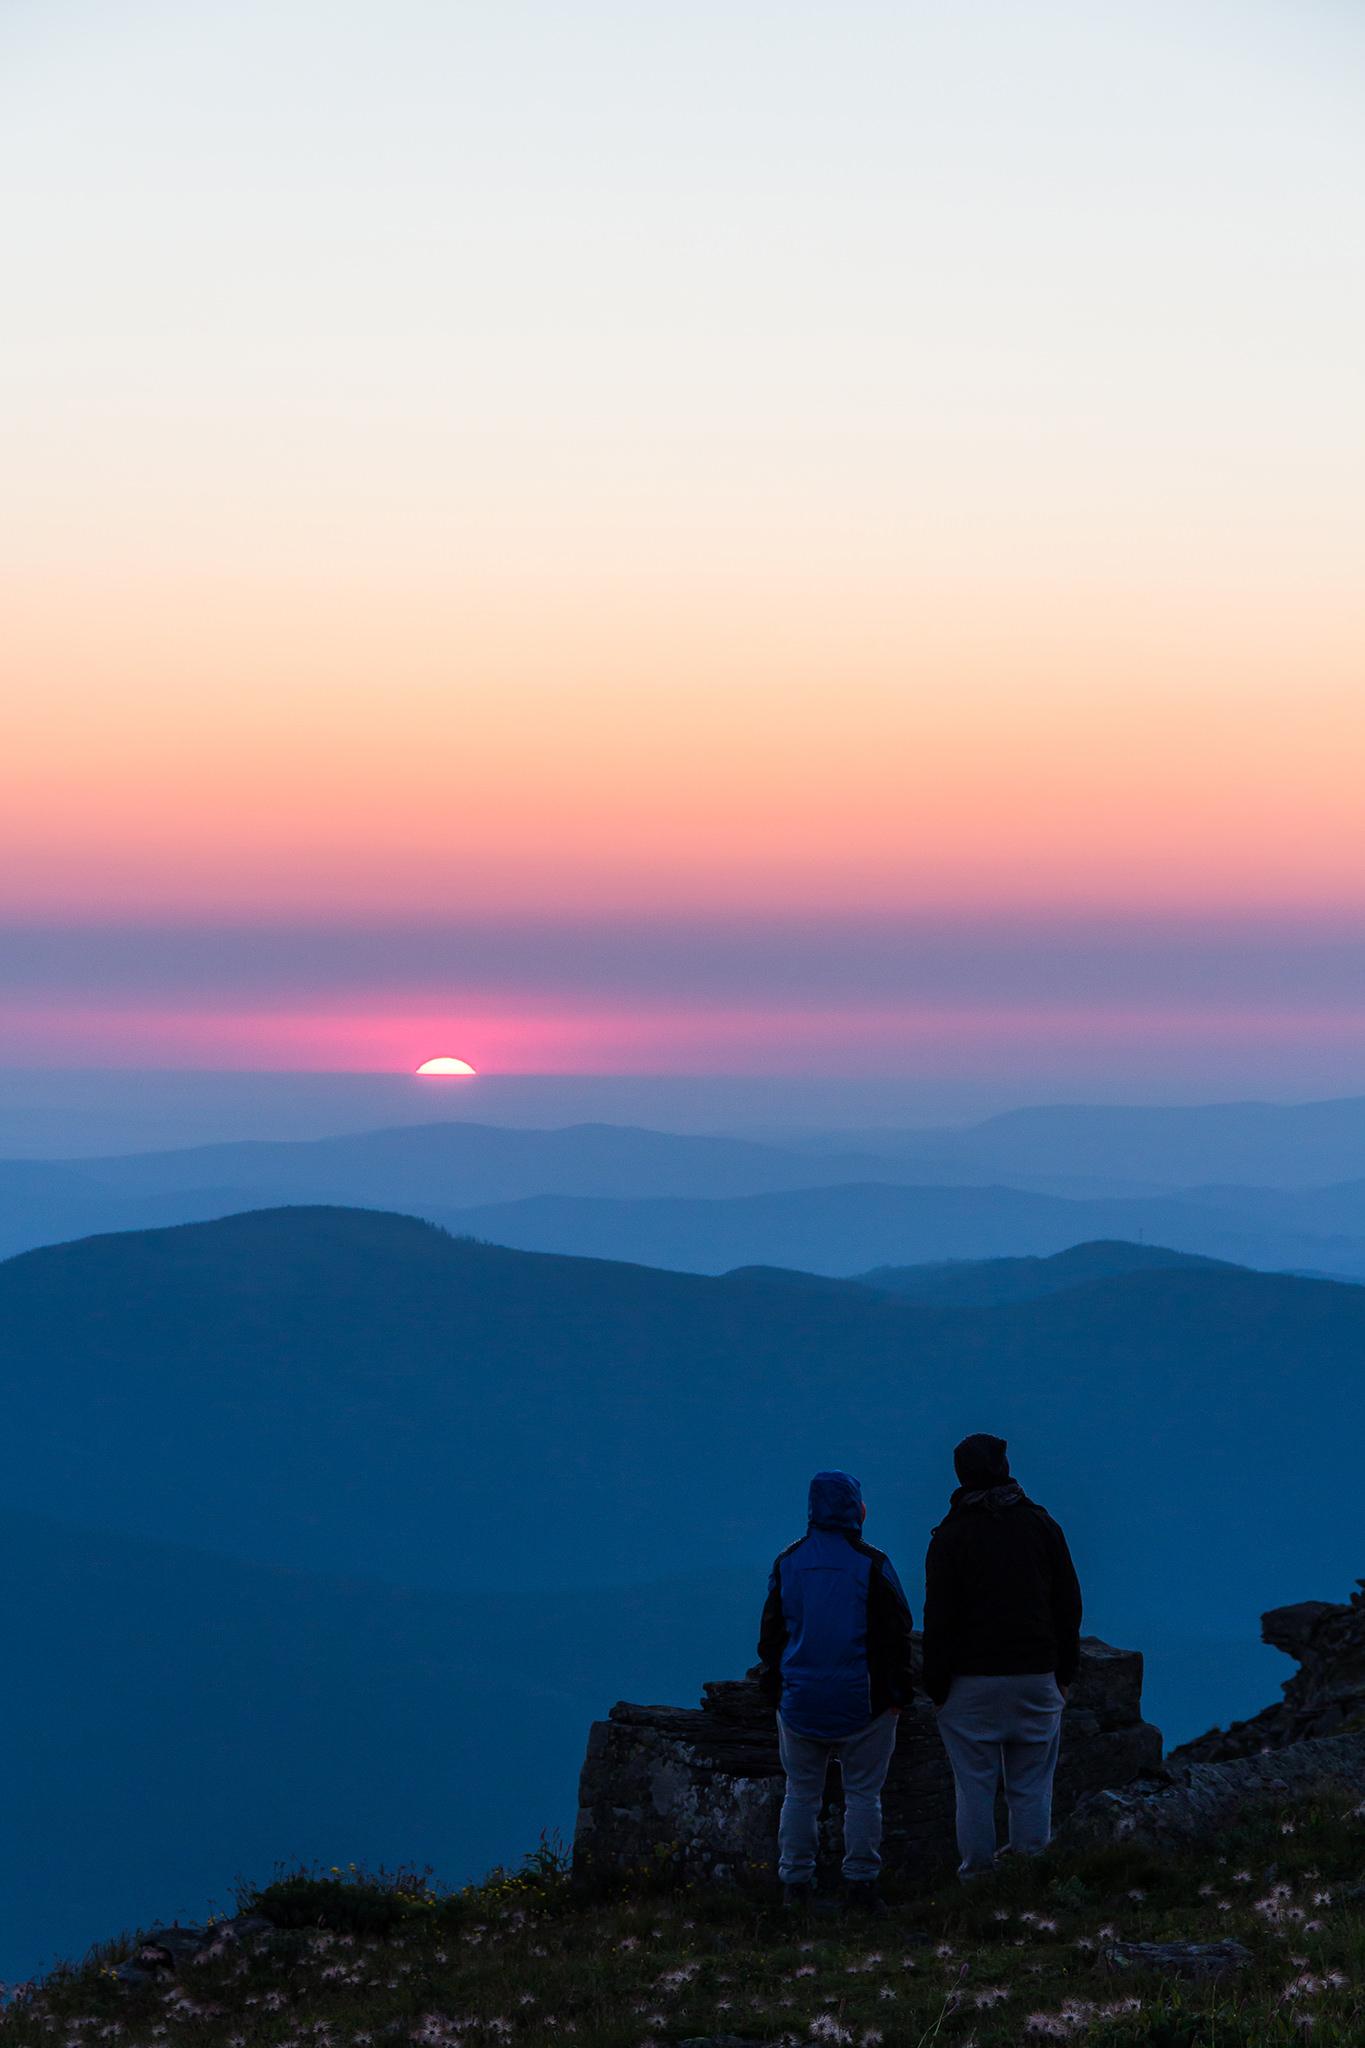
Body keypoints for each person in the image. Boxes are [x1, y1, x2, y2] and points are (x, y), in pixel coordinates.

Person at [922, 1432, 1082, 1880]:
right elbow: (1068, 1604)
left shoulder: (950, 1536)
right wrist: (1063, 1673)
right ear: (1005, 1465)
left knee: (973, 1789)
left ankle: (977, 1879)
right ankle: (1029, 1881)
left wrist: (936, 1687)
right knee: (1031, 1788)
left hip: (970, 1681)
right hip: (1035, 1674)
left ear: (961, 1474)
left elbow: (939, 1620)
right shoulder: (1042, 1526)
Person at [758, 1469, 915, 1910]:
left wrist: (779, 1687)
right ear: (856, 1510)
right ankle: (861, 1885)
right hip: (863, 1704)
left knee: (801, 1793)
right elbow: (897, 1632)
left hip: (800, 1702)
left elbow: (771, 1638)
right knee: (863, 1794)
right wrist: (898, 1695)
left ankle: (795, 1883)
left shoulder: (787, 1563)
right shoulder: (874, 1565)